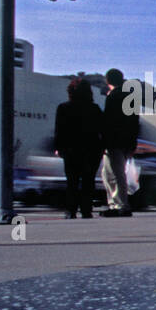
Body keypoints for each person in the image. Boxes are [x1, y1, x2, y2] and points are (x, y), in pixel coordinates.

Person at [54, 77, 103, 219]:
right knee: (88, 180)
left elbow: (59, 130)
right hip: (91, 149)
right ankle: (86, 210)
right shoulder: (95, 109)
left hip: (71, 149)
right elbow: (102, 129)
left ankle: (71, 210)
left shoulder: (63, 108)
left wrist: (58, 147)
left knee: (72, 181)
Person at [100, 68, 139, 216]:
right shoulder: (131, 97)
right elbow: (135, 121)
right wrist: (133, 143)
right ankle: (118, 204)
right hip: (127, 141)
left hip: (113, 141)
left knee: (112, 174)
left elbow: (108, 121)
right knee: (117, 172)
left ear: (108, 81)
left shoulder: (112, 96)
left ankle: (119, 205)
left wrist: (104, 142)